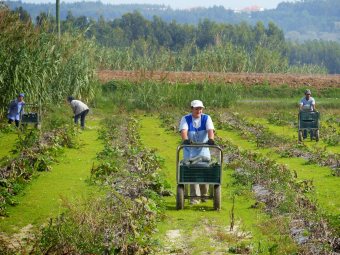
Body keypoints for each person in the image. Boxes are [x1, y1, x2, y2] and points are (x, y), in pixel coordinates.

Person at [179, 99, 215, 204]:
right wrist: (185, 139)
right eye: (196, 108)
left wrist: (211, 139)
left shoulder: (206, 118)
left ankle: (204, 195)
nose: (199, 110)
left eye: (200, 108)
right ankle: (194, 198)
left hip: (203, 150)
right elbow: (184, 131)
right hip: (190, 150)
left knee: (205, 171)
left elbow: (210, 130)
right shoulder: (185, 119)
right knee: (192, 173)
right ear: (192, 109)